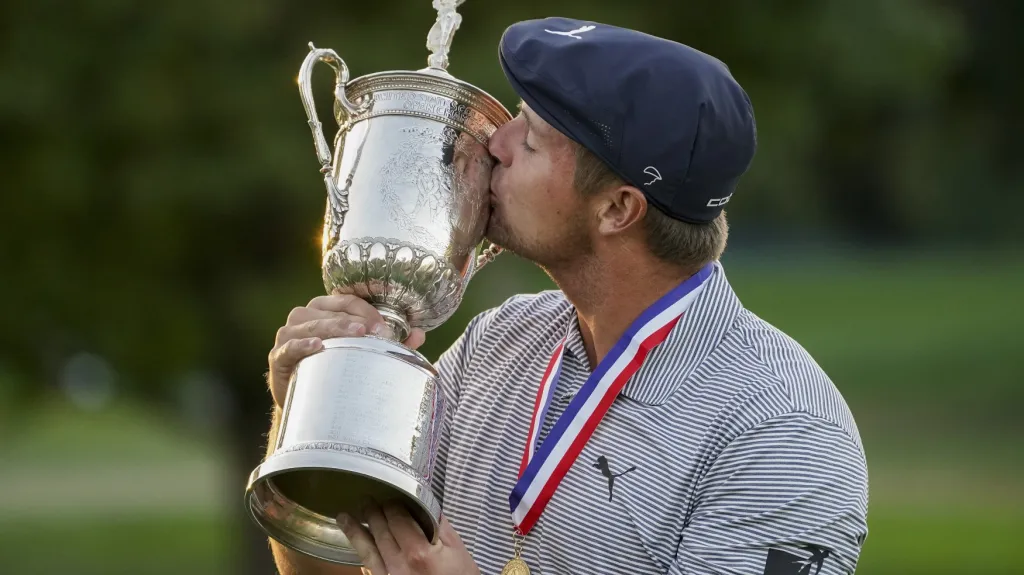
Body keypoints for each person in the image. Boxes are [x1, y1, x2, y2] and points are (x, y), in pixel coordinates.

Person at [264, 16, 869, 575]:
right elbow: (343, 559)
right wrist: (311, 422)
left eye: (530, 140)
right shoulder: (496, 344)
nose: (495, 142)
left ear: (616, 209)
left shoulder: (785, 435)